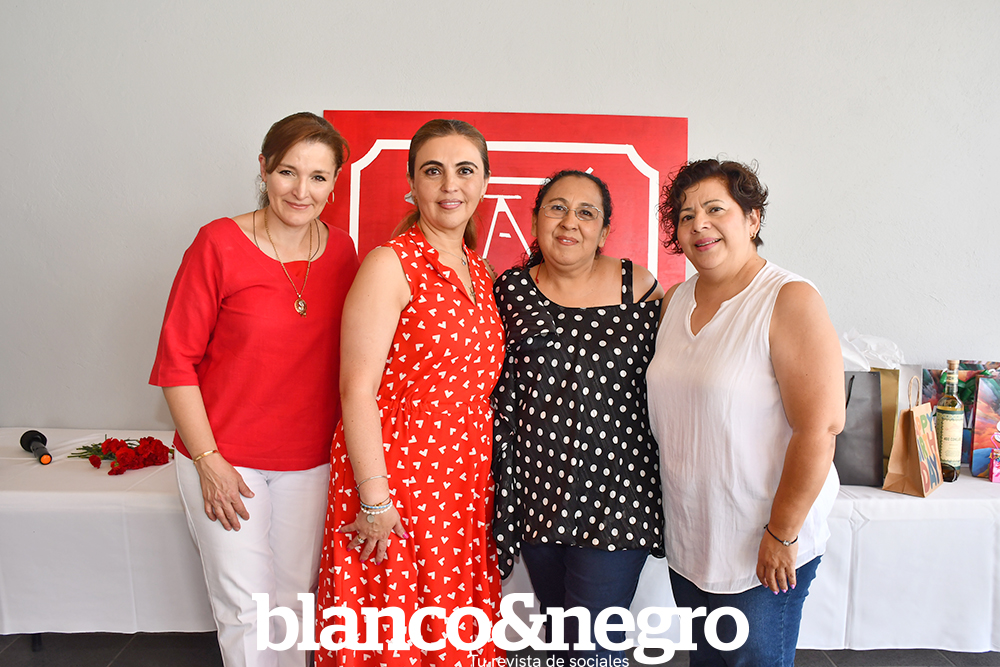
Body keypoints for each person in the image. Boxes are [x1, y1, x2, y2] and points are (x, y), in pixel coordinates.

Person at [149, 111, 360, 667]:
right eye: (288, 171)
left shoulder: (344, 252)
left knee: (292, 606)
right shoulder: (217, 243)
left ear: (335, 183)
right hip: (225, 459)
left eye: (318, 176)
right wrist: (208, 461)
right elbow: (176, 364)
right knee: (245, 610)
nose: (301, 190)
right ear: (264, 168)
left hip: (310, 462)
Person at [314, 119, 503, 667]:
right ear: (412, 183)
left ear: (484, 182)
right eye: (433, 171)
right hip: (396, 481)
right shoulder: (390, 264)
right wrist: (375, 499)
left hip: (462, 486)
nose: (450, 185)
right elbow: (356, 389)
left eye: (465, 170)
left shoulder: (481, 271)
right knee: (395, 631)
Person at [646, 159, 844, 666]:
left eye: (716, 209)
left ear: (753, 219)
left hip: (762, 546)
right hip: (694, 539)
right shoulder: (674, 301)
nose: (699, 225)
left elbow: (820, 427)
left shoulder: (788, 298)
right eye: (686, 216)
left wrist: (782, 533)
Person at [491, 170, 666, 663]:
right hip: (537, 495)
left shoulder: (638, 287)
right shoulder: (510, 291)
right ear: (535, 220)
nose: (570, 222)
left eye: (586, 213)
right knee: (562, 636)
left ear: (604, 231)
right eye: (557, 208)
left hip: (618, 497)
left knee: (591, 645)